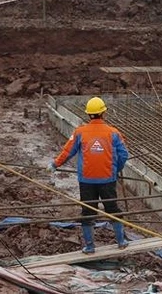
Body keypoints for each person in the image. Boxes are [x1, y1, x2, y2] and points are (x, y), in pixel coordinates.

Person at [47, 97, 129, 254]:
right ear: (103, 113)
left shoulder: (80, 132)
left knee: (88, 212)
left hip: (86, 180)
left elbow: (67, 152)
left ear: (88, 115)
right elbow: (124, 155)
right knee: (112, 209)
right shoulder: (113, 133)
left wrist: (54, 165)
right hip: (107, 179)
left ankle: (90, 246)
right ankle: (121, 241)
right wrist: (115, 169)